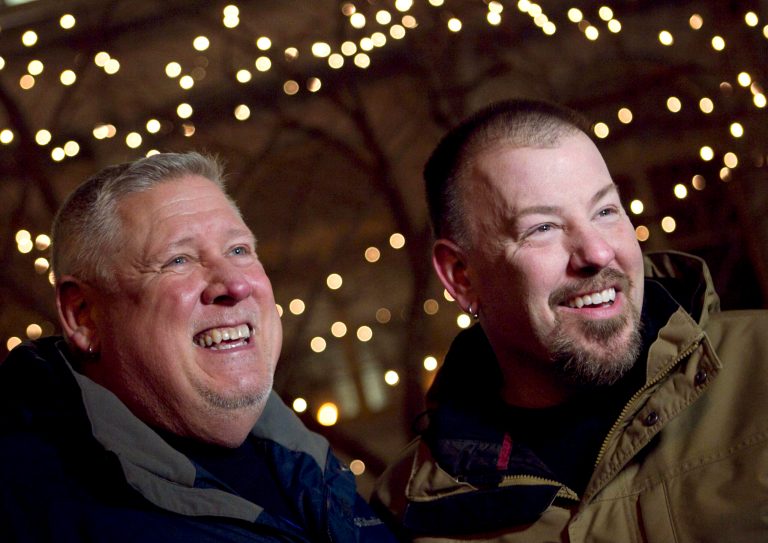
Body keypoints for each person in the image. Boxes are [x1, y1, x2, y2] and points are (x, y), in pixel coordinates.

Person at [372, 99, 768, 542]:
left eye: (605, 211)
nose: (598, 252)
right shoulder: (410, 510)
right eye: (543, 228)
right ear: (462, 277)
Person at [0, 152, 396, 542]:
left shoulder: (315, 471)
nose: (235, 284)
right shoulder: (27, 510)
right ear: (84, 316)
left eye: (238, 250)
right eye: (179, 260)